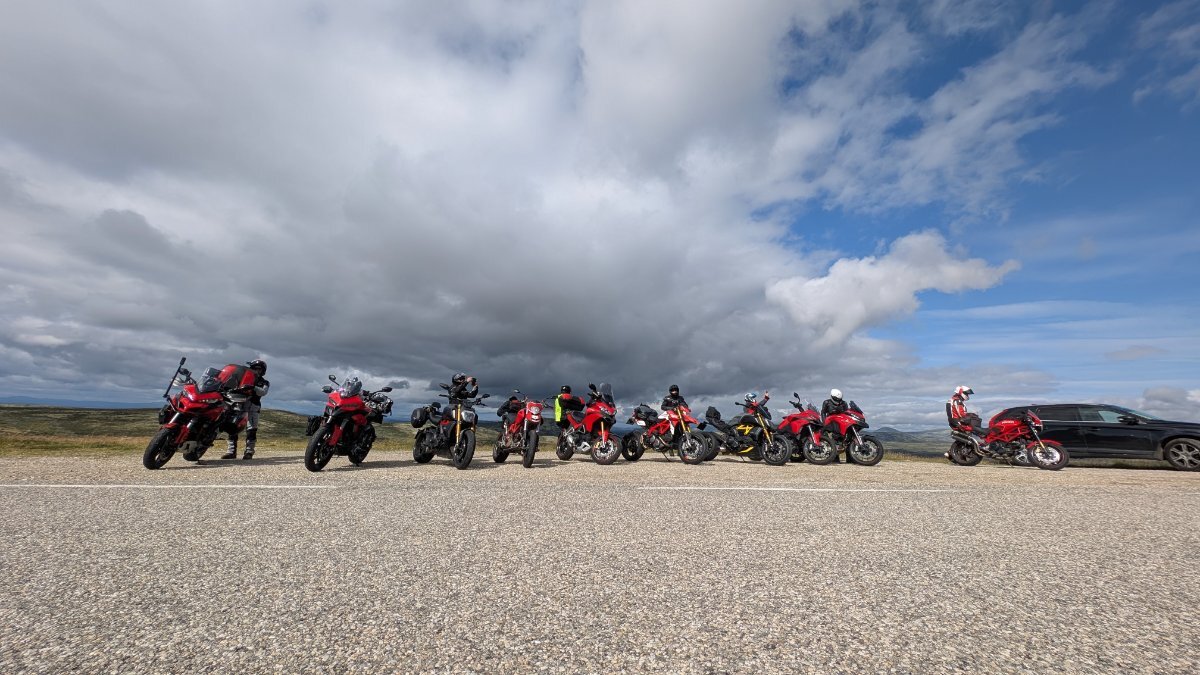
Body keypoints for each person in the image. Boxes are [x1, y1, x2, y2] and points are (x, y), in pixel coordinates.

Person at [220, 359, 269, 460]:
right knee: (232, 428)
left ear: (263, 371)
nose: (256, 370)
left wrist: (253, 387)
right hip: (238, 405)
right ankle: (231, 452)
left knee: (251, 430)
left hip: (253, 407)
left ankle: (249, 452)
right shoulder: (242, 377)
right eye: (254, 368)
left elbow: (263, 392)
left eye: (259, 369)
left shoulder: (264, 382)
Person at [945, 385, 980, 460]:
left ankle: (951, 454)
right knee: (967, 437)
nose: (967, 395)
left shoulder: (953, 399)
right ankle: (953, 454)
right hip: (957, 421)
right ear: (961, 392)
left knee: (963, 437)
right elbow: (961, 413)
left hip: (954, 420)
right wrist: (970, 416)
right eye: (966, 393)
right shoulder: (957, 401)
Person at [821, 388, 850, 463]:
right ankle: (835, 457)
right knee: (833, 438)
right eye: (836, 399)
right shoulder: (826, 402)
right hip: (831, 421)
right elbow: (823, 412)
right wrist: (824, 422)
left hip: (841, 421)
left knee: (847, 438)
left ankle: (850, 458)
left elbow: (847, 413)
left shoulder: (844, 403)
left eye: (839, 399)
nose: (838, 400)